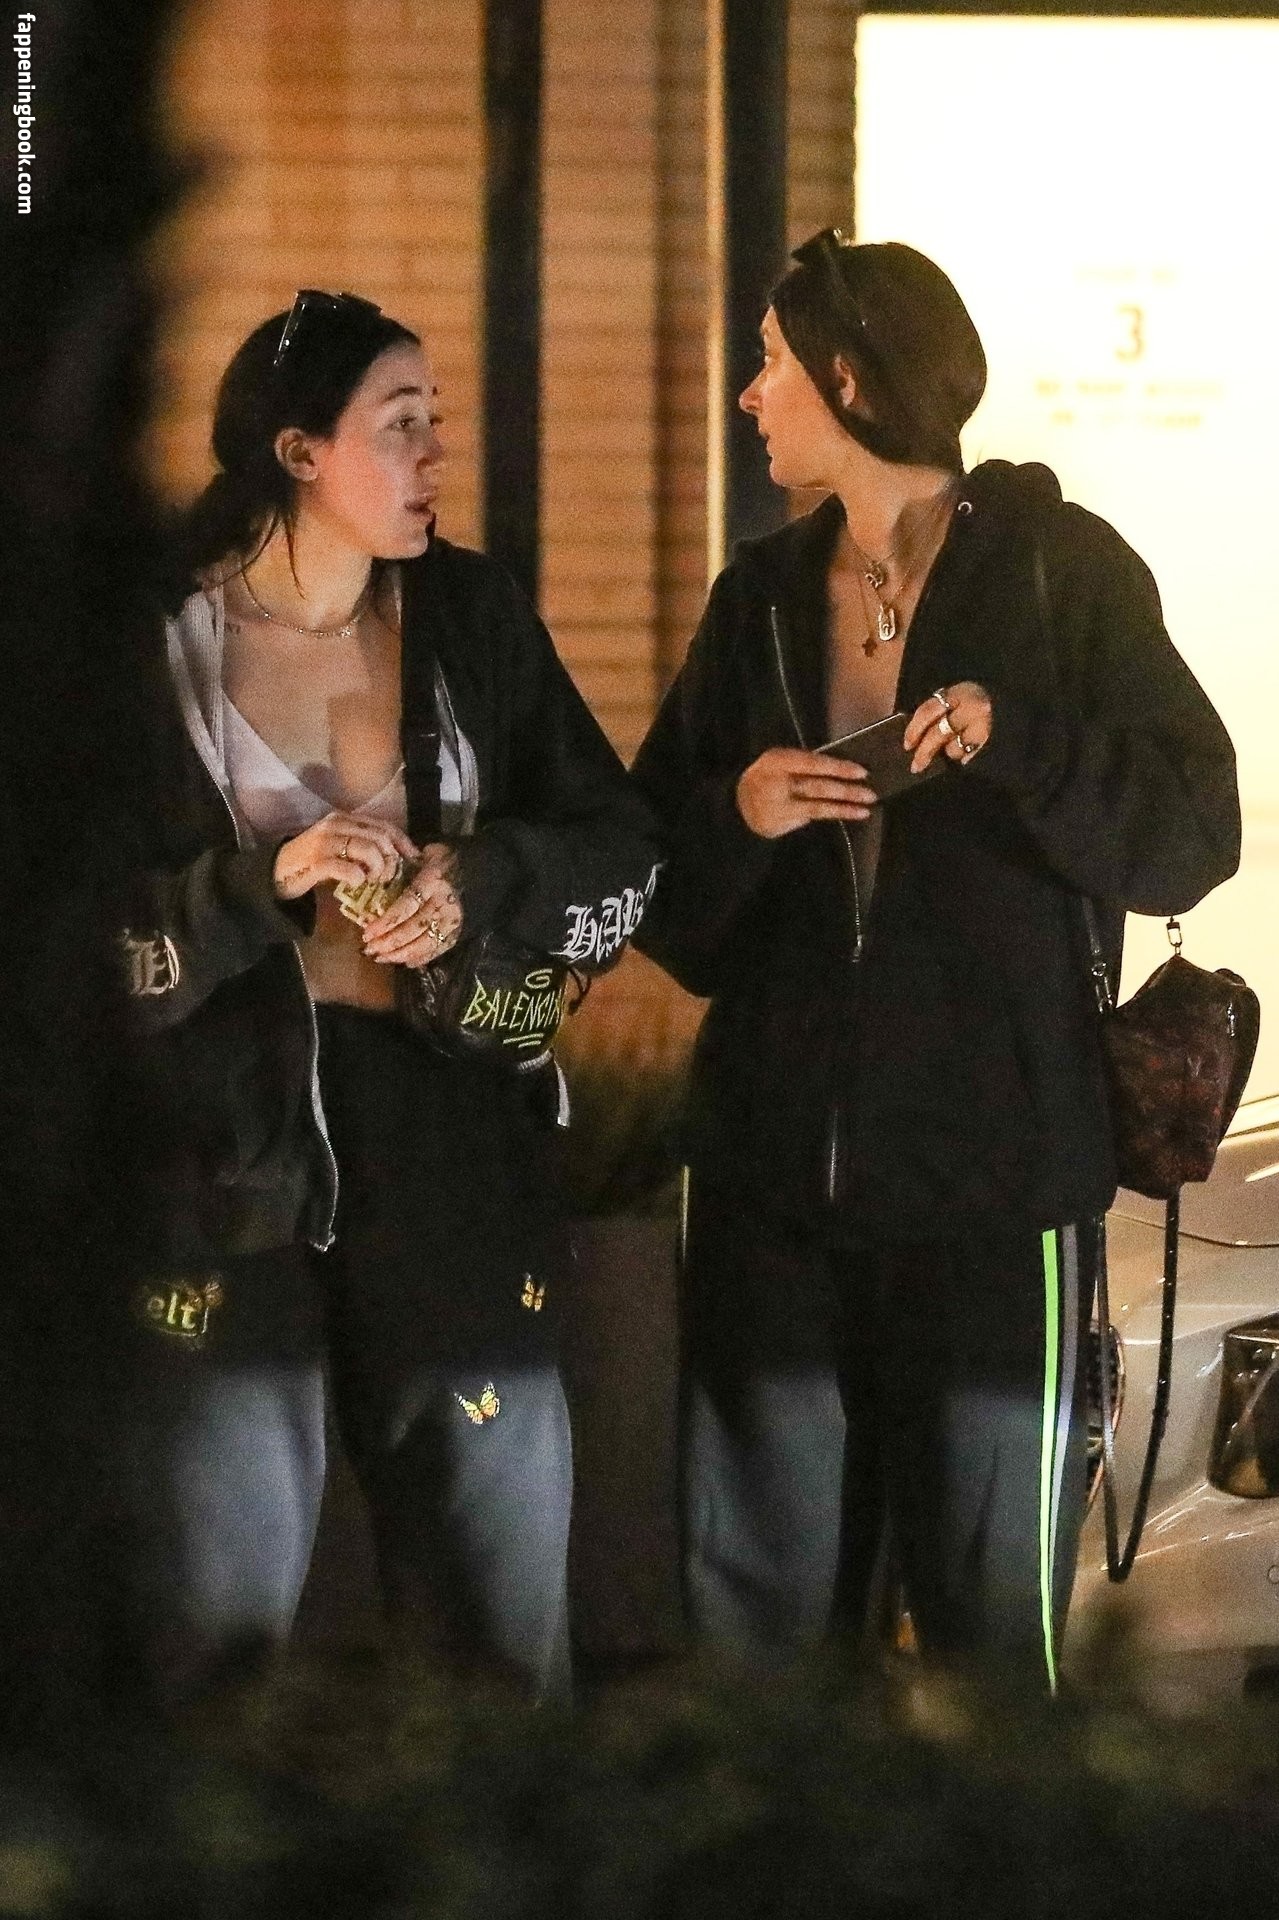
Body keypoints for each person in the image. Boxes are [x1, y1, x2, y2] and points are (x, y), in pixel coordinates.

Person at [630, 232, 1240, 1690]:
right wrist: (740, 813)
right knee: (758, 1647)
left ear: (847, 378)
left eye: (770, 363)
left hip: (995, 1195)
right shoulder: (759, 599)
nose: (750, 396)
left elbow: (1191, 832)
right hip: (772, 1191)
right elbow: (659, 888)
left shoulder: (1064, 574)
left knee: (989, 1643)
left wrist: (1020, 742)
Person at [116, 289, 659, 1701]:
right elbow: (68, 933)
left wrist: (480, 883)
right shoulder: (153, 641)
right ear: (300, 452)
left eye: (439, 423)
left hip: (447, 1147)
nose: (435, 456)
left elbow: (621, 846)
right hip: (225, 1169)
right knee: (210, 1624)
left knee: (495, 1619)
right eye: (400, 425)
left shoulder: (468, 617)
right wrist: (267, 881)